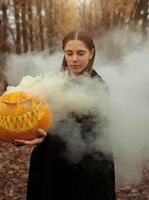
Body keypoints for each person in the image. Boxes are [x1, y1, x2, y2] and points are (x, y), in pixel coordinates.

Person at [13, 30, 116, 200]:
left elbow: (91, 137)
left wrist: (48, 139)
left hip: (86, 170)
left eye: (80, 53)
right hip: (51, 165)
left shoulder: (99, 88)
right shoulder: (53, 81)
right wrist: (27, 130)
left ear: (91, 53)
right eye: (69, 53)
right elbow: (39, 115)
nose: (74, 59)